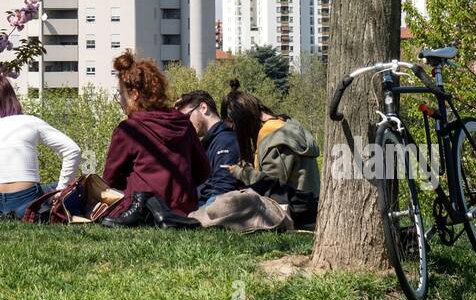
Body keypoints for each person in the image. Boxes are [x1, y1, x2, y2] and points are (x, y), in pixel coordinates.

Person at [101, 51, 209, 217]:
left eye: (120, 94)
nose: (119, 100)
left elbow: (109, 180)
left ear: (134, 95)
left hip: (140, 210)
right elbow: (203, 171)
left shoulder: (129, 130)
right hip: (183, 210)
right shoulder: (185, 124)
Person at [0, 73, 81, 215]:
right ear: (12, 98)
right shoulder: (29, 122)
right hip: (29, 201)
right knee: (71, 185)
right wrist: (61, 189)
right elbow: (73, 150)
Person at [221, 80, 320, 219]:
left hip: (298, 212)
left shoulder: (273, 140)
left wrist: (243, 172)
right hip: (308, 205)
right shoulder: (284, 124)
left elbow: (272, 187)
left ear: (240, 121)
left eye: (234, 127)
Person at [176, 89, 241, 206]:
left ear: (203, 108)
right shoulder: (206, 143)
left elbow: (223, 191)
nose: (185, 123)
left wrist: (195, 212)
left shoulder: (225, 141)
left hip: (211, 208)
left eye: (187, 117)